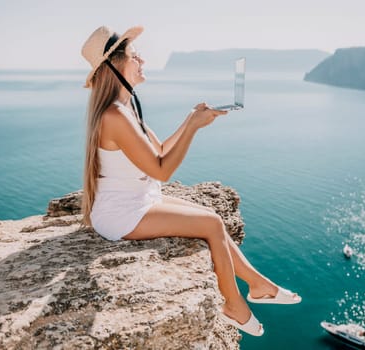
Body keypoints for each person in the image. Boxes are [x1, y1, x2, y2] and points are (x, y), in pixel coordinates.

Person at [80, 25, 301, 337]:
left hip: (138, 199)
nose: (142, 59)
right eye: (134, 55)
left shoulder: (125, 109)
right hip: (121, 214)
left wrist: (191, 119)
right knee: (210, 224)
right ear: (115, 65)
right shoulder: (114, 116)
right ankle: (233, 305)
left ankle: (257, 283)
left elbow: (156, 150)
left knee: (214, 221)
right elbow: (161, 170)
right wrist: (194, 128)